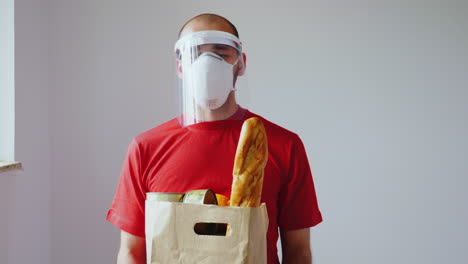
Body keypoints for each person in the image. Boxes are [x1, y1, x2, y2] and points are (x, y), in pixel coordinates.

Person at [107, 13, 323, 264]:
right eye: (195, 54)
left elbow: (298, 251)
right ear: (180, 66)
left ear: (241, 64)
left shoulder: (282, 145)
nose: (207, 63)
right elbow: (132, 252)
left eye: (221, 54)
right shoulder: (146, 148)